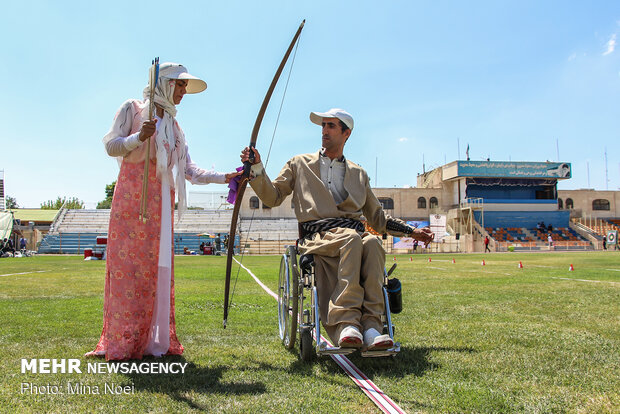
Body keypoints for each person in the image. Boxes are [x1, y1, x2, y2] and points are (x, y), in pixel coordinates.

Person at [241, 108, 433, 350]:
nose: (324, 131)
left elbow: (377, 218)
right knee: (352, 238)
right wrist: (257, 168)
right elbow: (272, 196)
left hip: (352, 237)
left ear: (346, 134)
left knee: (372, 243)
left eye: (331, 126)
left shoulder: (359, 173)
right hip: (317, 238)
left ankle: (373, 327)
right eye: (323, 126)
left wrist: (412, 231)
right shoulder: (298, 164)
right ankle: (346, 323)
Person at [87, 62, 241, 361]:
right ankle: (123, 342)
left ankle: (150, 342)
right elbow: (111, 145)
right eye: (179, 85)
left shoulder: (174, 127)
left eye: (184, 86)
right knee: (127, 271)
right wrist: (138, 138)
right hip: (131, 199)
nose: (183, 91)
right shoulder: (132, 109)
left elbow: (190, 171)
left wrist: (225, 177)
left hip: (161, 202)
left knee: (156, 272)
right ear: (164, 84)